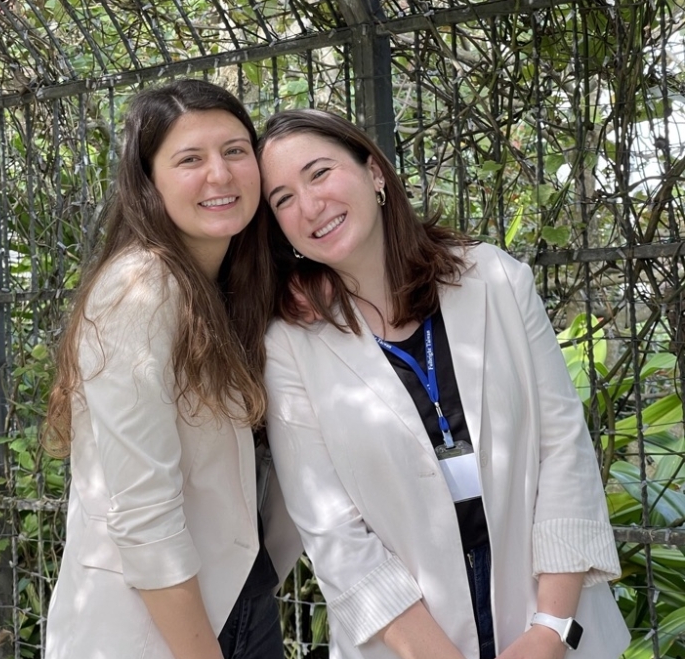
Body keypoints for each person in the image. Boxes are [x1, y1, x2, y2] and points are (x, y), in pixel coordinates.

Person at [257, 108, 630, 659]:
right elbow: (333, 530)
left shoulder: (496, 280)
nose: (309, 206)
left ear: (375, 174)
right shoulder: (290, 346)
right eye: (283, 199)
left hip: (549, 629)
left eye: (319, 173)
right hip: (407, 644)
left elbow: (563, 448)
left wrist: (551, 628)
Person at [43, 79, 297, 659]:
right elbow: (142, 513)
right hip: (161, 624)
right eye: (190, 159)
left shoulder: (235, 283)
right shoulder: (140, 289)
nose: (220, 175)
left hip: (238, 597)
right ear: (148, 182)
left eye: (235, 151)